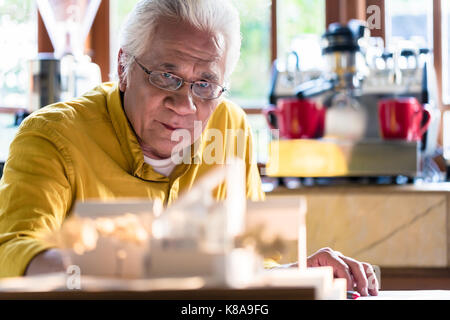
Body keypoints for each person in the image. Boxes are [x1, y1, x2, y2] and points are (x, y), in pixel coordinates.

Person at [0, 0, 377, 296]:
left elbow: (246, 271)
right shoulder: (51, 136)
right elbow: (10, 253)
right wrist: (124, 265)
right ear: (123, 67)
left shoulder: (230, 126)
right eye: (167, 76)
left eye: (205, 84)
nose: (185, 105)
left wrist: (296, 274)